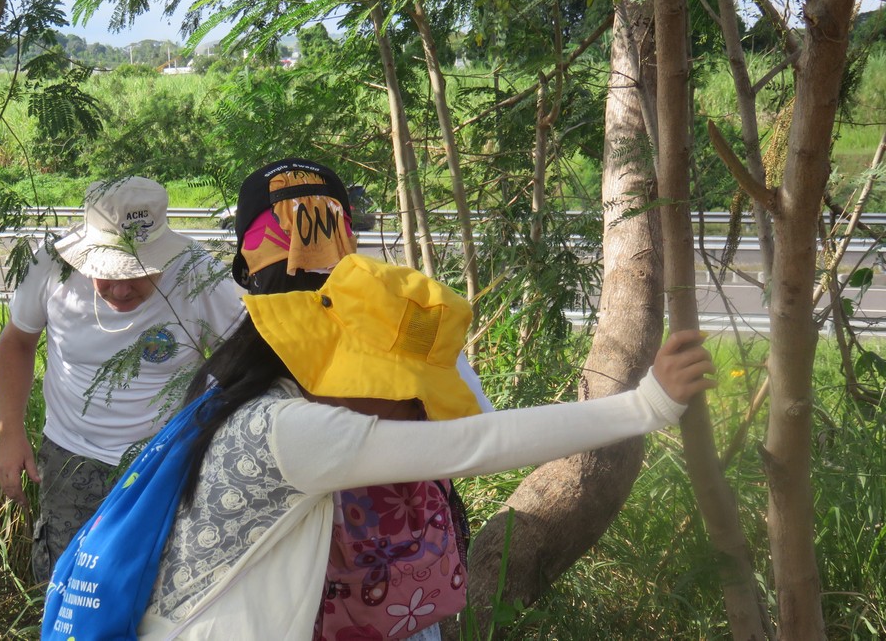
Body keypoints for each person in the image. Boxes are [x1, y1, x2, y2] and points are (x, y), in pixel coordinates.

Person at [43, 254, 716, 639]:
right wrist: (645, 406)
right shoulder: (295, 433)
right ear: (355, 372)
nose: (414, 412)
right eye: (407, 391)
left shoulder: (245, 398)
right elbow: (477, 444)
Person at [229, 158, 489, 640]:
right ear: (347, 238)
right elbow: (479, 431)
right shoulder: (404, 319)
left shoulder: (240, 354)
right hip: (400, 598)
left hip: (282, 605)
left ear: (247, 257)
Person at [0, 176, 245, 582]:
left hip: (164, 461)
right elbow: (16, 343)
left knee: (156, 582)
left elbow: (244, 360)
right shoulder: (51, 267)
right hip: (71, 458)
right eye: (108, 272)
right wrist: (10, 431)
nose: (121, 289)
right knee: (68, 581)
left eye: (139, 272)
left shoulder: (197, 274)